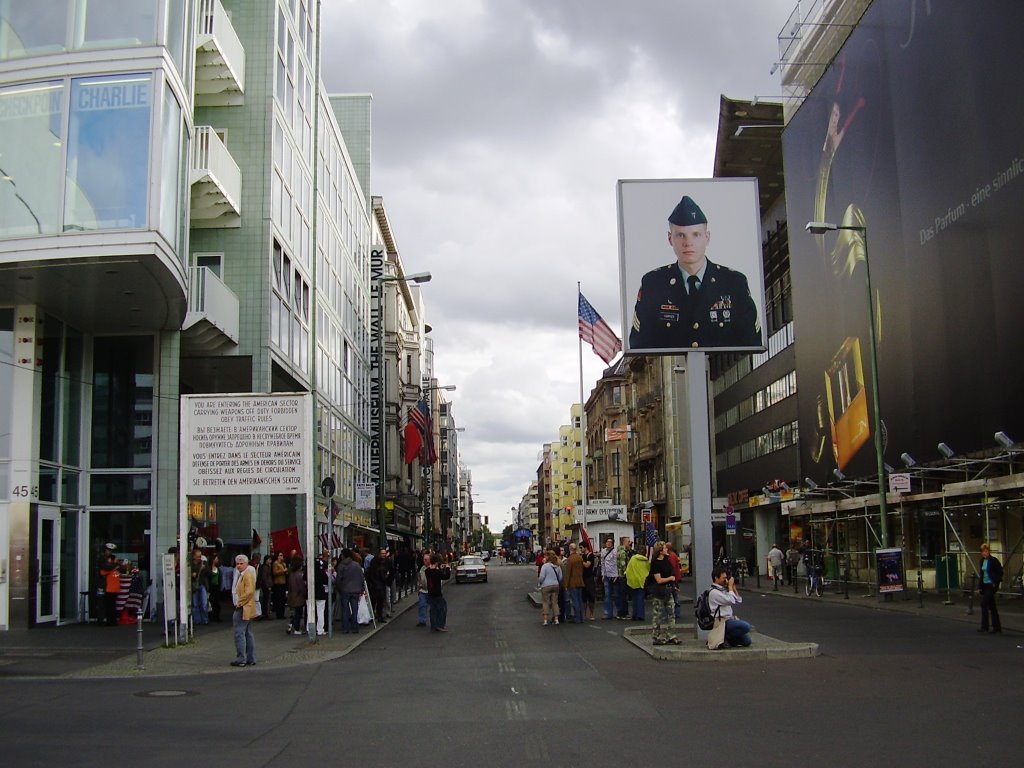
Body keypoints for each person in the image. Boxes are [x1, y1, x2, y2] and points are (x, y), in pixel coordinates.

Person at [629, 195, 761, 350]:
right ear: (670, 239)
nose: (688, 242)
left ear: (707, 237)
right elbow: (639, 345)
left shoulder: (733, 282)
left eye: (696, 234)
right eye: (680, 235)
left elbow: (752, 342)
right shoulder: (653, 284)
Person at [707, 566, 752, 648]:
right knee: (746, 626)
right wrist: (730, 587)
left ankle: (726, 640)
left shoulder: (723, 590)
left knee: (747, 641)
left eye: (726, 578)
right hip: (722, 622)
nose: (725, 580)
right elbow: (730, 600)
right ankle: (725, 637)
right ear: (716, 578)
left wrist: (734, 589)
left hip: (729, 620)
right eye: (723, 578)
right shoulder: (714, 592)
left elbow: (738, 600)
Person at [648, 542, 681, 646]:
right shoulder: (655, 564)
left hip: (668, 590)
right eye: (665, 548)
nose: (667, 550)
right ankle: (656, 636)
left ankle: (671, 635)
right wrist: (670, 579)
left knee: (671, 613)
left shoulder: (667, 561)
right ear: (660, 551)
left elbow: (671, 573)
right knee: (657, 615)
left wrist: (674, 585)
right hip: (659, 592)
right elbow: (659, 580)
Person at [230, 554, 257, 667]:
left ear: (246, 564)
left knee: (239, 633)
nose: (239, 565)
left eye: (241, 563)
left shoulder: (247, 575)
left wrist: (239, 602)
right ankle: (250, 658)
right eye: (237, 564)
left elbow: (249, 591)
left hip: (243, 607)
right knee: (247, 633)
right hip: (248, 607)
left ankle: (241, 658)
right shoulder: (244, 574)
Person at [335, 549, 364, 634]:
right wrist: (361, 588)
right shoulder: (357, 565)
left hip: (345, 590)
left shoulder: (341, 566)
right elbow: (361, 578)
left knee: (345, 609)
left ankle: (345, 628)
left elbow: (338, 579)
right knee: (355, 609)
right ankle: (355, 627)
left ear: (343, 555)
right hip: (356, 590)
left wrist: (339, 588)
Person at [977, 544, 1003, 634]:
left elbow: (1000, 572)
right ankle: (997, 627)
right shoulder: (982, 561)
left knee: (984, 604)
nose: (984, 553)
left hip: (991, 585)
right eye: (983, 552)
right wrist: (980, 587)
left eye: (986, 551)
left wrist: (995, 582)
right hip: (985, 585)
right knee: (992, 606)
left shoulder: (994, 561)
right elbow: (982, 574)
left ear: (989, 551)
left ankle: (985, 626)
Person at [424, 555, 451, 632]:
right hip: (437, 593)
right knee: (442, 608)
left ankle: (434, 625)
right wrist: (448, 568)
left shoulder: (427, 571)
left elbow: (431, 570)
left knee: (433, 609)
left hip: (430, 593)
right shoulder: (437, 572)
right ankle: (440, 625)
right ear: (436, 563)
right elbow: (446, 577)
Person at [624, 546, 650, 621]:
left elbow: (628, 570)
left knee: (634, 599)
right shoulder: (646, 560)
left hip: (633, 581)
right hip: (642, 581)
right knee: (640, 599)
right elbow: (648, 570)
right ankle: (640, 615)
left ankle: (634, 614)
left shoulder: (633, 559)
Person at [537, 550, 562, 626]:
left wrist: (540, 583)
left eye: (545, 556)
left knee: (545, 602)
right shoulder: (557, 566)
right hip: (555, 585)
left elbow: (541, 577)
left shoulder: (545, 566)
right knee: (555, 602)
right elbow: (560, 577)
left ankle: (545, 620)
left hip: (546, 586)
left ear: (548, 557)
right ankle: (556, 619)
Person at [98, 546, 121, 626]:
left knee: (110, 605)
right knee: (107, 604)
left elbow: (106, 570)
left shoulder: (113, 564)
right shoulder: (103, 560)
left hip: (111, 587)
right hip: (109, 586)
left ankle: (111, 621)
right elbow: (105, 569)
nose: (109, 552)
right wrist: (115, 564)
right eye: (108, 550)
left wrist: (114, 564)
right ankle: (107, 621)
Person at [563, 542, 585, 624]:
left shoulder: (570, 559)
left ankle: (577, 618)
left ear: (570, 549)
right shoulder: (580, 558)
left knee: (575, 601)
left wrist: (566, 584)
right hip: (580, 581)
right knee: (579, 600)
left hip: (572, 582)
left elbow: (568, 572)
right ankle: (581, 617)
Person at [599, 538, 619, 619]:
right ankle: (608, 613)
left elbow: (616, 563)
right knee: (607, 595)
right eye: (607, 542)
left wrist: (616, 575)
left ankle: (619, 612)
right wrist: (603, 574)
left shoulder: (614, 552)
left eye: (610, 542)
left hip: (613, 575)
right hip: (607, 575)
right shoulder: (603, 551)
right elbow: (602, 563)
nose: (608, 543)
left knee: (616, 595)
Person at [286, 557, 305, 635]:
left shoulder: (291, 574)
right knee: (298, 612)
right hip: (298, 595)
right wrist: (305, 593)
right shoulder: (299, 575)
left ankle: (291, 624)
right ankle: (296, 628)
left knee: (295, 612)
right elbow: (301, 586)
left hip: (292, 594)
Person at [617, 537, 635, 619]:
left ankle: (621, 612)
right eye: (628, 542)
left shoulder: (619, 551)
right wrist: (628, 572)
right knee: (624, 595)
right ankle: (623, 613)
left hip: (621, 575)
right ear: (624, 542)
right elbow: (623, 564)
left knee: (622, 595)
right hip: (624, 576)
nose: (629, 543)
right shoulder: (623, 552)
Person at [313, 551, 330, 635]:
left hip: (311, 593)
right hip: (321, 592)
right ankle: (320, 629)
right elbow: (327, 581)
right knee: (320, 611)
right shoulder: (322, 572)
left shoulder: (310, 572)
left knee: (311, 611)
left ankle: (310, 628)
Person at [580, 541, 597, 620]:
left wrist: (581, 561)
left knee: (591, 596)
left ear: (585, 547)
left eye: (581, 548)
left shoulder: (590, 555)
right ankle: (584, 614)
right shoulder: (582, 555)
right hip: (583, 577)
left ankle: (592, 614)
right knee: (584, 597)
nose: (580, 549)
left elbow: (587, 565)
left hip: (589, 578)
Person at [271, 552, 288, 619]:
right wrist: (283, 571)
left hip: (283, 582)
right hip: (278, 583)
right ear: (277, 556)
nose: (282, 556)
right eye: (280, 555)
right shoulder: (276, 563)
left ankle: (282, 613)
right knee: (279, 599)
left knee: (283, 599)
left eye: (282, 555)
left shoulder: (283, 563)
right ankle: (279, 614)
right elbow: (274, 573)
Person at [258, 554, 273, 620]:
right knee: (266, 600)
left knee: (266, 599)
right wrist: (268, 585)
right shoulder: (265, 567)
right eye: (269, 560)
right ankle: (266, 613)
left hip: (267, 584)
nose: (270, 561)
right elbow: (264, 577)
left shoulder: (267, 566)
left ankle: (266, 613)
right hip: (266, 585)